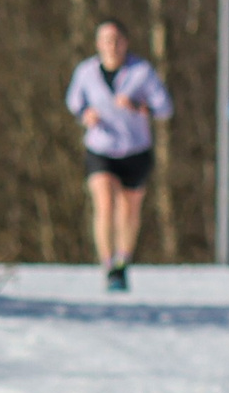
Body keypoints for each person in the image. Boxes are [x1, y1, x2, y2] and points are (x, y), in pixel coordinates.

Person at [65, 19, 174, 291]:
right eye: (105, 40)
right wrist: (85, 115)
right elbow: (74, 103)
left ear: (125, 43)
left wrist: (137, 105)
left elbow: (165, 108)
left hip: (135, 149)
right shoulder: (86, 72)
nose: (111, 46)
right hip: (100, 147)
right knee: (104, 203)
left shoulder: (141, 71)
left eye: (116, 40)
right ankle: (108, 264)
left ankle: (124, 261)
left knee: (129, 210)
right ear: (97, 44)